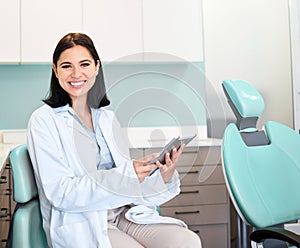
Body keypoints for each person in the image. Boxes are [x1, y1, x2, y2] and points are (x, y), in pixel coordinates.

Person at [27, 32, 201, 248]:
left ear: (97, 67)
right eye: (66, 66)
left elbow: (127, 185)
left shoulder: (107, 119)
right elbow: (61, 193)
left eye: (84, 64)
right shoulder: (43, 120)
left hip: (124, 213)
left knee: (187, 241)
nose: (76, 73)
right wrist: (128, 173)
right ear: (55, 70)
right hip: (84, 221)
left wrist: (161, 176)